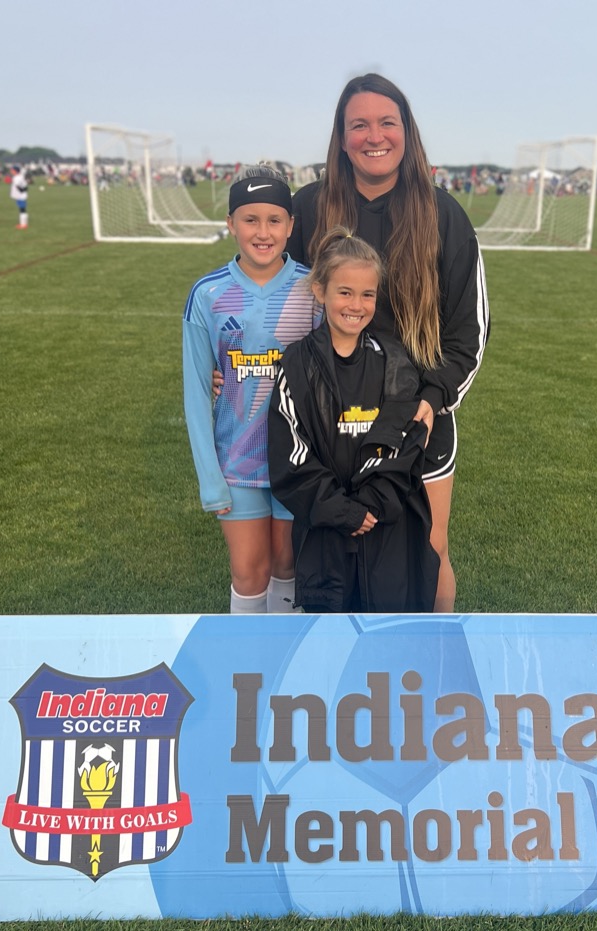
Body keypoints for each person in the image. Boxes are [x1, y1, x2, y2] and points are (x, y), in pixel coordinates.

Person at [286, 73, 490, 612]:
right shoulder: (307, 209)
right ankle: (343, 685)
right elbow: (264, 286)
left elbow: (469, 333)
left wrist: (432, 399)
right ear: (341, 135)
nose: (374, 136)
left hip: (416, 414)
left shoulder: (444, 215)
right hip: (330, 413)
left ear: (406, 131)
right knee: (335, 549)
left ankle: (437, 674)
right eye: (359, 124)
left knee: (429, 547)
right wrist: (232, 363)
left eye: (386, 122)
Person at [267, 227, 439, 613]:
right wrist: (343, 511)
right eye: (344, 292)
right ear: (320, 291)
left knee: (388, 642)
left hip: (388, 533)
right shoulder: (296, 366)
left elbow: (406, 446)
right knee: (331, 645)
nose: (356, 304)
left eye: (367, 294)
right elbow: (290, 458)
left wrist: (371, 506)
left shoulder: (395, 363)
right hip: (325, 536)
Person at [183, 165, 321, 613]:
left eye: (274, 220)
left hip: (296, 461)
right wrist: (210, 479)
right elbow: (196, 390)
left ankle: (283, 670)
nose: (263, 232)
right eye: (250, 219)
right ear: (230, 224)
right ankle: (246, 665)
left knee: (288, 565)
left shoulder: (311, 289)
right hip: (236, 462)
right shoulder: (208, 293)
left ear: (291, 226)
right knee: (248, 570)